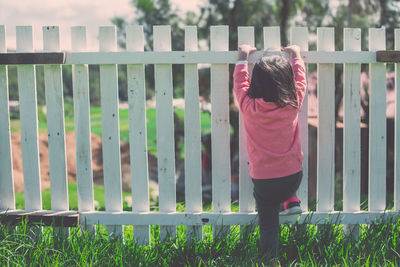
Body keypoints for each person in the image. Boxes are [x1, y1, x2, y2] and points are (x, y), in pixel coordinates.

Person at [233, 44, 307, 261]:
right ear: (287, 82)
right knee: (285, 189)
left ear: (256, 84)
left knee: (267, 222)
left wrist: (243, 56)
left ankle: (270, 260)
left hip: (263, 178)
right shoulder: (292, 102)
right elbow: (301, 80)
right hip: (293, 175)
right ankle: (290, 199)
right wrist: (296, 55)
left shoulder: (249, 106)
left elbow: (240, 84)